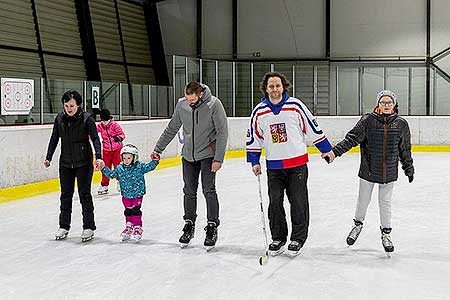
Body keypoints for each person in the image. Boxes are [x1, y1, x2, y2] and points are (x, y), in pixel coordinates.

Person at [246, 72, 334, 257]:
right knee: (275, 202)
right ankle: (278, 238)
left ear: (283, 87)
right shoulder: (259, 111)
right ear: (266, 88)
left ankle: (298, 238)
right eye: (271, 86)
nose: (275, 89)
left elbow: (312, 127)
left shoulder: (295, 106)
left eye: (278, 86)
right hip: (274, 167)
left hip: (297, 165)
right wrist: (254, 160)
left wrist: (325, 149)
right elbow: (254, 136)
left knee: (298, 201)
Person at [322, 89, 414, 254]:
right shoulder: (368, 120)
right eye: (383, 102)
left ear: (394, 105)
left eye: (389, 102)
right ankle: (357, 225)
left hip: (389, 172)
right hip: (368, 170)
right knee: (363, 200)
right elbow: (351, 139)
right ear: (378, 104)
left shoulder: (401, 124)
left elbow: (405, 149)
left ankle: (386, 234)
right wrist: (335, 152)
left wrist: (408, 168)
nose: (386, 105)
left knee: (385, 203)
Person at [151, 81, 228, 250]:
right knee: (189, 191)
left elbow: (222, 132)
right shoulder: (182, 105)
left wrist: (218, 158)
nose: (189, 103)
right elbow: (172, 128)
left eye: (192, 100)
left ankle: (212, 227)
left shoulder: (214, 104)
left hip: (208, 155)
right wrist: (158, 149)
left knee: (209, 190)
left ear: (200, 94)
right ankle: (189, 224)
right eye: (187, 99)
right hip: (188, 156)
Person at [44, 90, 104, 242]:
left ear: (78, 105)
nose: (68, 108)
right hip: (65, 162)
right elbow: (54, 139)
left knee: (84, 194)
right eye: (66, 105)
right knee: (65, 195)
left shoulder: (87, 119)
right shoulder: (59, 119)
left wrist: (98, 157)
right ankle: (64, 226)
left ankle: (88, 227)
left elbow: (95, 139)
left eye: (71, 105)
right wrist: (48, 157)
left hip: (84, 162)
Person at [101, 144, 159, 241]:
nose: (126, 160)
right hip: (126, 194)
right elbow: (112, 175)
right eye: (124, 158)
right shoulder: (120, 168)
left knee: (136, 210)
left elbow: (149, 167)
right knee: (128, 211)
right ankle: (129, 227)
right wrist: (103, 168)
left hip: (138, 194)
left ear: (134, 157)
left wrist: (155, 161)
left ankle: (137, 227)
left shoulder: (139, 166)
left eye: (129, 158)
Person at [96, 108, 125, 195]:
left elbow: (122, 134)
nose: (105, 122)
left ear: (109, 118)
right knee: (105, 167)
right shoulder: (100, 126)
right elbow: (93, 133)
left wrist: (119, 138)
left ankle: (121, 182)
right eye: (103, 120)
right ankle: (104, 185)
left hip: (117, 149)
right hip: (106, 150)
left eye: (106, 120)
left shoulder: (115, 125)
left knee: (118, 166)